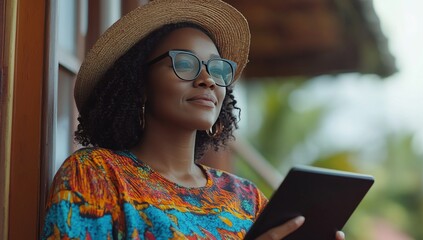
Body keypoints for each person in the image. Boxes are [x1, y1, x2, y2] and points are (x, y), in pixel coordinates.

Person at [42, 0, 346, 239]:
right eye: (185, 63)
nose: (207, 80)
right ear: (140, 83)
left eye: (217, 69)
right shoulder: (96, 175)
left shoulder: (245, 199)